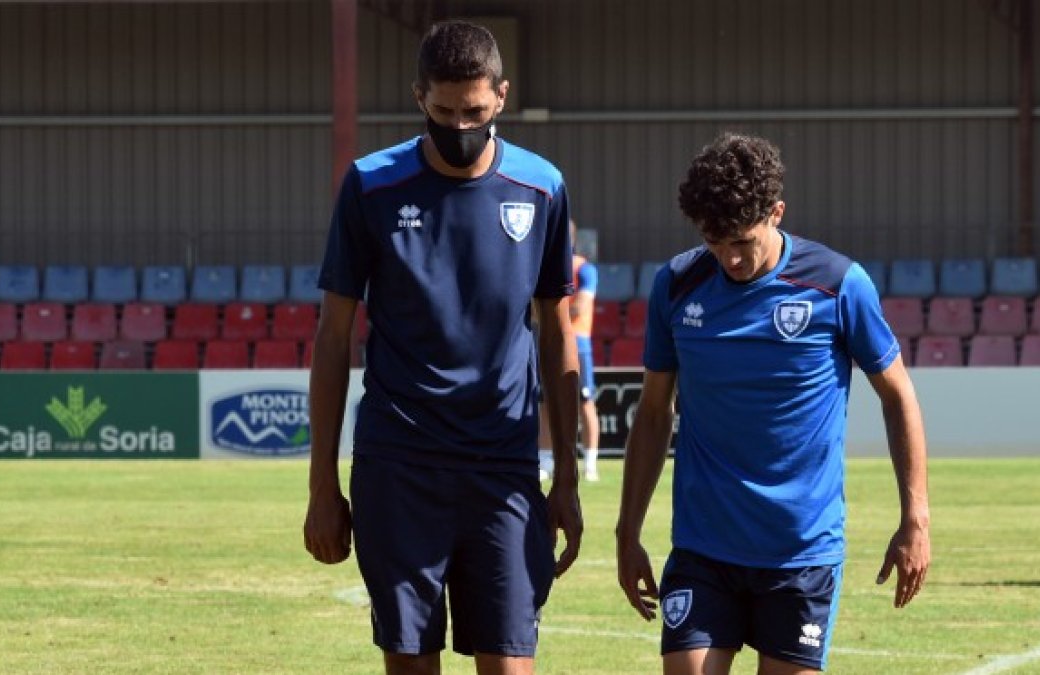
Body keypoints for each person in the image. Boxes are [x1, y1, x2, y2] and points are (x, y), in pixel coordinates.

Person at [303, 20, 583, 675]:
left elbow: (558, 334)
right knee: (409, 662)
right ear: (418, 97)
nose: (461, 126)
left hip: (503, 467)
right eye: (445, 111)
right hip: (398, 464)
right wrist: (321, 483)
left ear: (502, 98)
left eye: (476, 112)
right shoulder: (371, 186)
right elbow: (332, 336)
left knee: (511, 661)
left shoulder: (542, 188)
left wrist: (565, 476)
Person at [615, 133, 931, 675]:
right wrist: (628, 532)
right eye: (715, 243)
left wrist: (915, 519)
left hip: (799, 553)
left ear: (776, 213)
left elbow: (898, 395)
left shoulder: (838, 285)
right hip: (703, 546)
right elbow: (651, 414)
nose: (730, 258)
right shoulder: (677, 285)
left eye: (743, 240)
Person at [539, 219, 602, 482]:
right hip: (547, 339)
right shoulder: (544, 268)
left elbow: (580, 306)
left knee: (585, 400)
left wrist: (549, 314)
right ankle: (545, 460)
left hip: (578, 342)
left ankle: (589, 462)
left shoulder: (584, 269)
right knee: (544, 402)